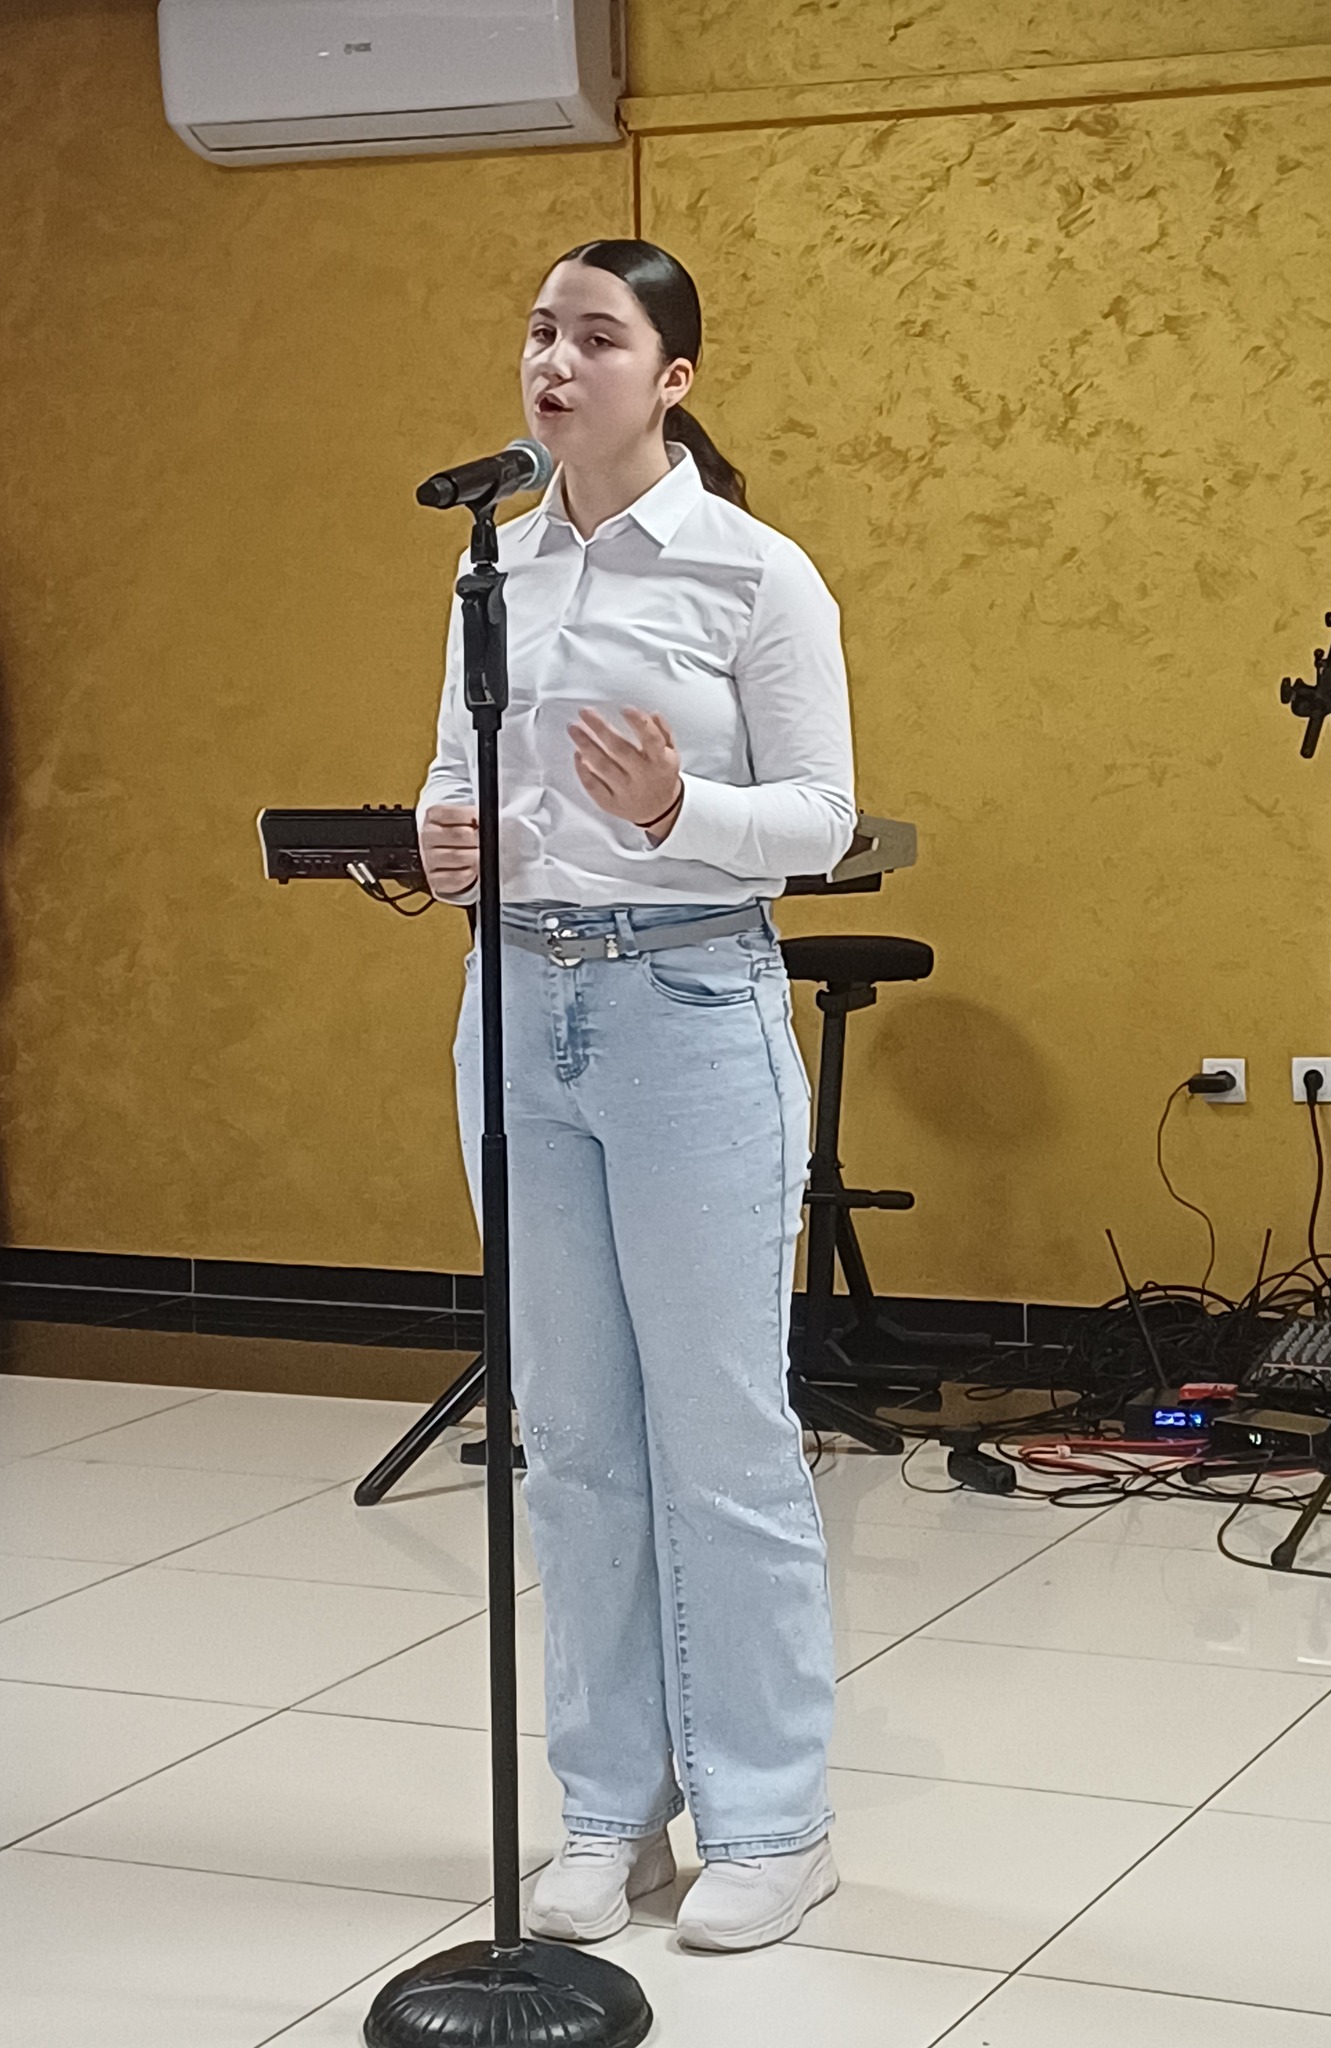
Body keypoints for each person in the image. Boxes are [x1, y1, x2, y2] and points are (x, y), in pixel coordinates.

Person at [416, 239, 857, 1953]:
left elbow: (821, 818)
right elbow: (456, 776)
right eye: (540, 330)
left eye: (595, 337)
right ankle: (611, 1810)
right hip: (518, 1000)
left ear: (672, 378)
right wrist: (447, 840)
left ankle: (773, 1821)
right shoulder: (494, 570)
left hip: (688, 1003)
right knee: (578, 1436)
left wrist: (684, 814)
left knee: (720, 1431)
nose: (554, 360)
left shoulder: (754, 572)